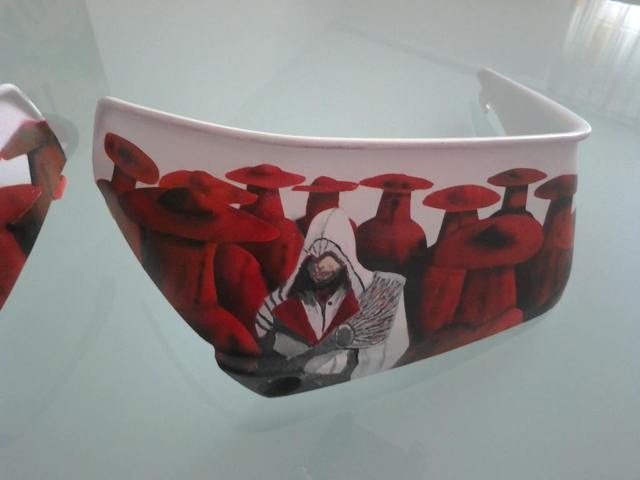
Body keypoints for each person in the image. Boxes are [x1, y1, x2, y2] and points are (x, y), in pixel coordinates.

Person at [256, 208, 409, 383]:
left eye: (330, 261)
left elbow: (387, 353)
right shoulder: (281, 305)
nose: (321, 269)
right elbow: (265, 344)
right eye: (316, 259)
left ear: (345, 260)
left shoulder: (380, 291)